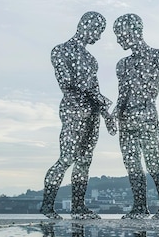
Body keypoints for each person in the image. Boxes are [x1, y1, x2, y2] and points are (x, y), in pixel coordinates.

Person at [40, 11, 117, 220]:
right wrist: (97, 97)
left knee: (85, 161)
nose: (99, 37)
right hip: (73, 110)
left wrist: (106, 114)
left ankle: (78, 206)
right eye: (98, 32)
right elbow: (66, 83)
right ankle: (47, 205)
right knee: (66, 158)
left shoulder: (91, 60)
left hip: (91, 113)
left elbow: (95, 86)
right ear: (86, 26)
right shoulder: (61, 51)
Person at [111, 13, 159, 220]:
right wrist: (113, 115)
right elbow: (122, 97)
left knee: (153, 163)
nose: (118, 40)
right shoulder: (122, 64)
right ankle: (139, 207)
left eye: (120, 34)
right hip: (126, 122)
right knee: (132, 165)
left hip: (148, 118)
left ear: (134, 31)